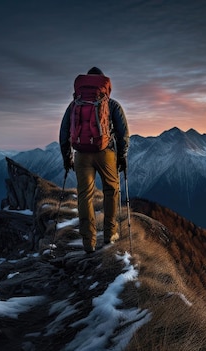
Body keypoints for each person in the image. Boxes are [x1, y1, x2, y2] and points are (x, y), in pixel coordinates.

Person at [59, 67, 129, 253]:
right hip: (106, 152)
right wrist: (122, 156)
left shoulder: (74, 105)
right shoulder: (112, 105)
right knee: (111, 190)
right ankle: (110, 234)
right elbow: (123, 133)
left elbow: (64, 132)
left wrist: (67, 158)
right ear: (104, 84)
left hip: (81, 153)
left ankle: (88, 241)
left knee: (85, 196)